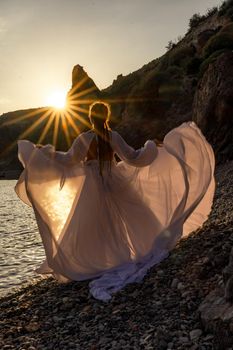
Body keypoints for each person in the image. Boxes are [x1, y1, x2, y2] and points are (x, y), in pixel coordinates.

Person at [15, 101, 215, 301]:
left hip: (91, 186)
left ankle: (100, 260)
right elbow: (132, 157)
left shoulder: (84, 138)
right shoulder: (113, 136)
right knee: (130, 218)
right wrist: (151, 146)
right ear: (107, 117)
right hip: (114, 181)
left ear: (91, 118)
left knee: (93, 225)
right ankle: (130, 253)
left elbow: (69, 161)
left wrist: (44, 154)